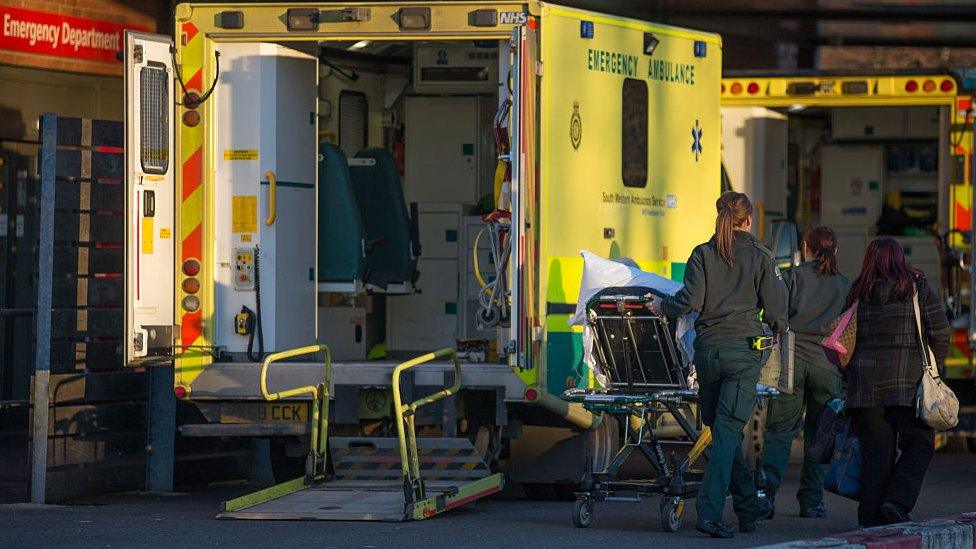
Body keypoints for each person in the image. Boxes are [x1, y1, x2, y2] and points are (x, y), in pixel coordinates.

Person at [648, 191, 786, 538]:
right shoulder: (760, 256)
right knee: (725, 432)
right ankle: (709, 513)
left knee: (720, 429)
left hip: (708, 353)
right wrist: (777, 330)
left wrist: (663, 306)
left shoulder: (702, 254)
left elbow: (690, 300)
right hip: (743, 354)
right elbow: (776, 312)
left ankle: (748, 507)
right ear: (749, 220)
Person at [844, 236, 949, 527]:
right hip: (907, 384)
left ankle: (870, 520)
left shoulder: (857, 293)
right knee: (921, 443)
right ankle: (897, 501)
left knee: (876, 457)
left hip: (864, 388)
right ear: (899, 259)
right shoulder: (916, 289)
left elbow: (843, 343)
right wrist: (936, 371)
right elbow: (940, 332)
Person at [761, 226, 850, 519]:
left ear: (804, 247)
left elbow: (774, 313)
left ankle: (766, 496)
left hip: (792, 362)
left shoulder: (792, 277)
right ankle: (811, 502)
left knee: (779, 431)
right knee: (819, 436)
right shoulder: (844, 285)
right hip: (828, 366)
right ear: (835, 251)